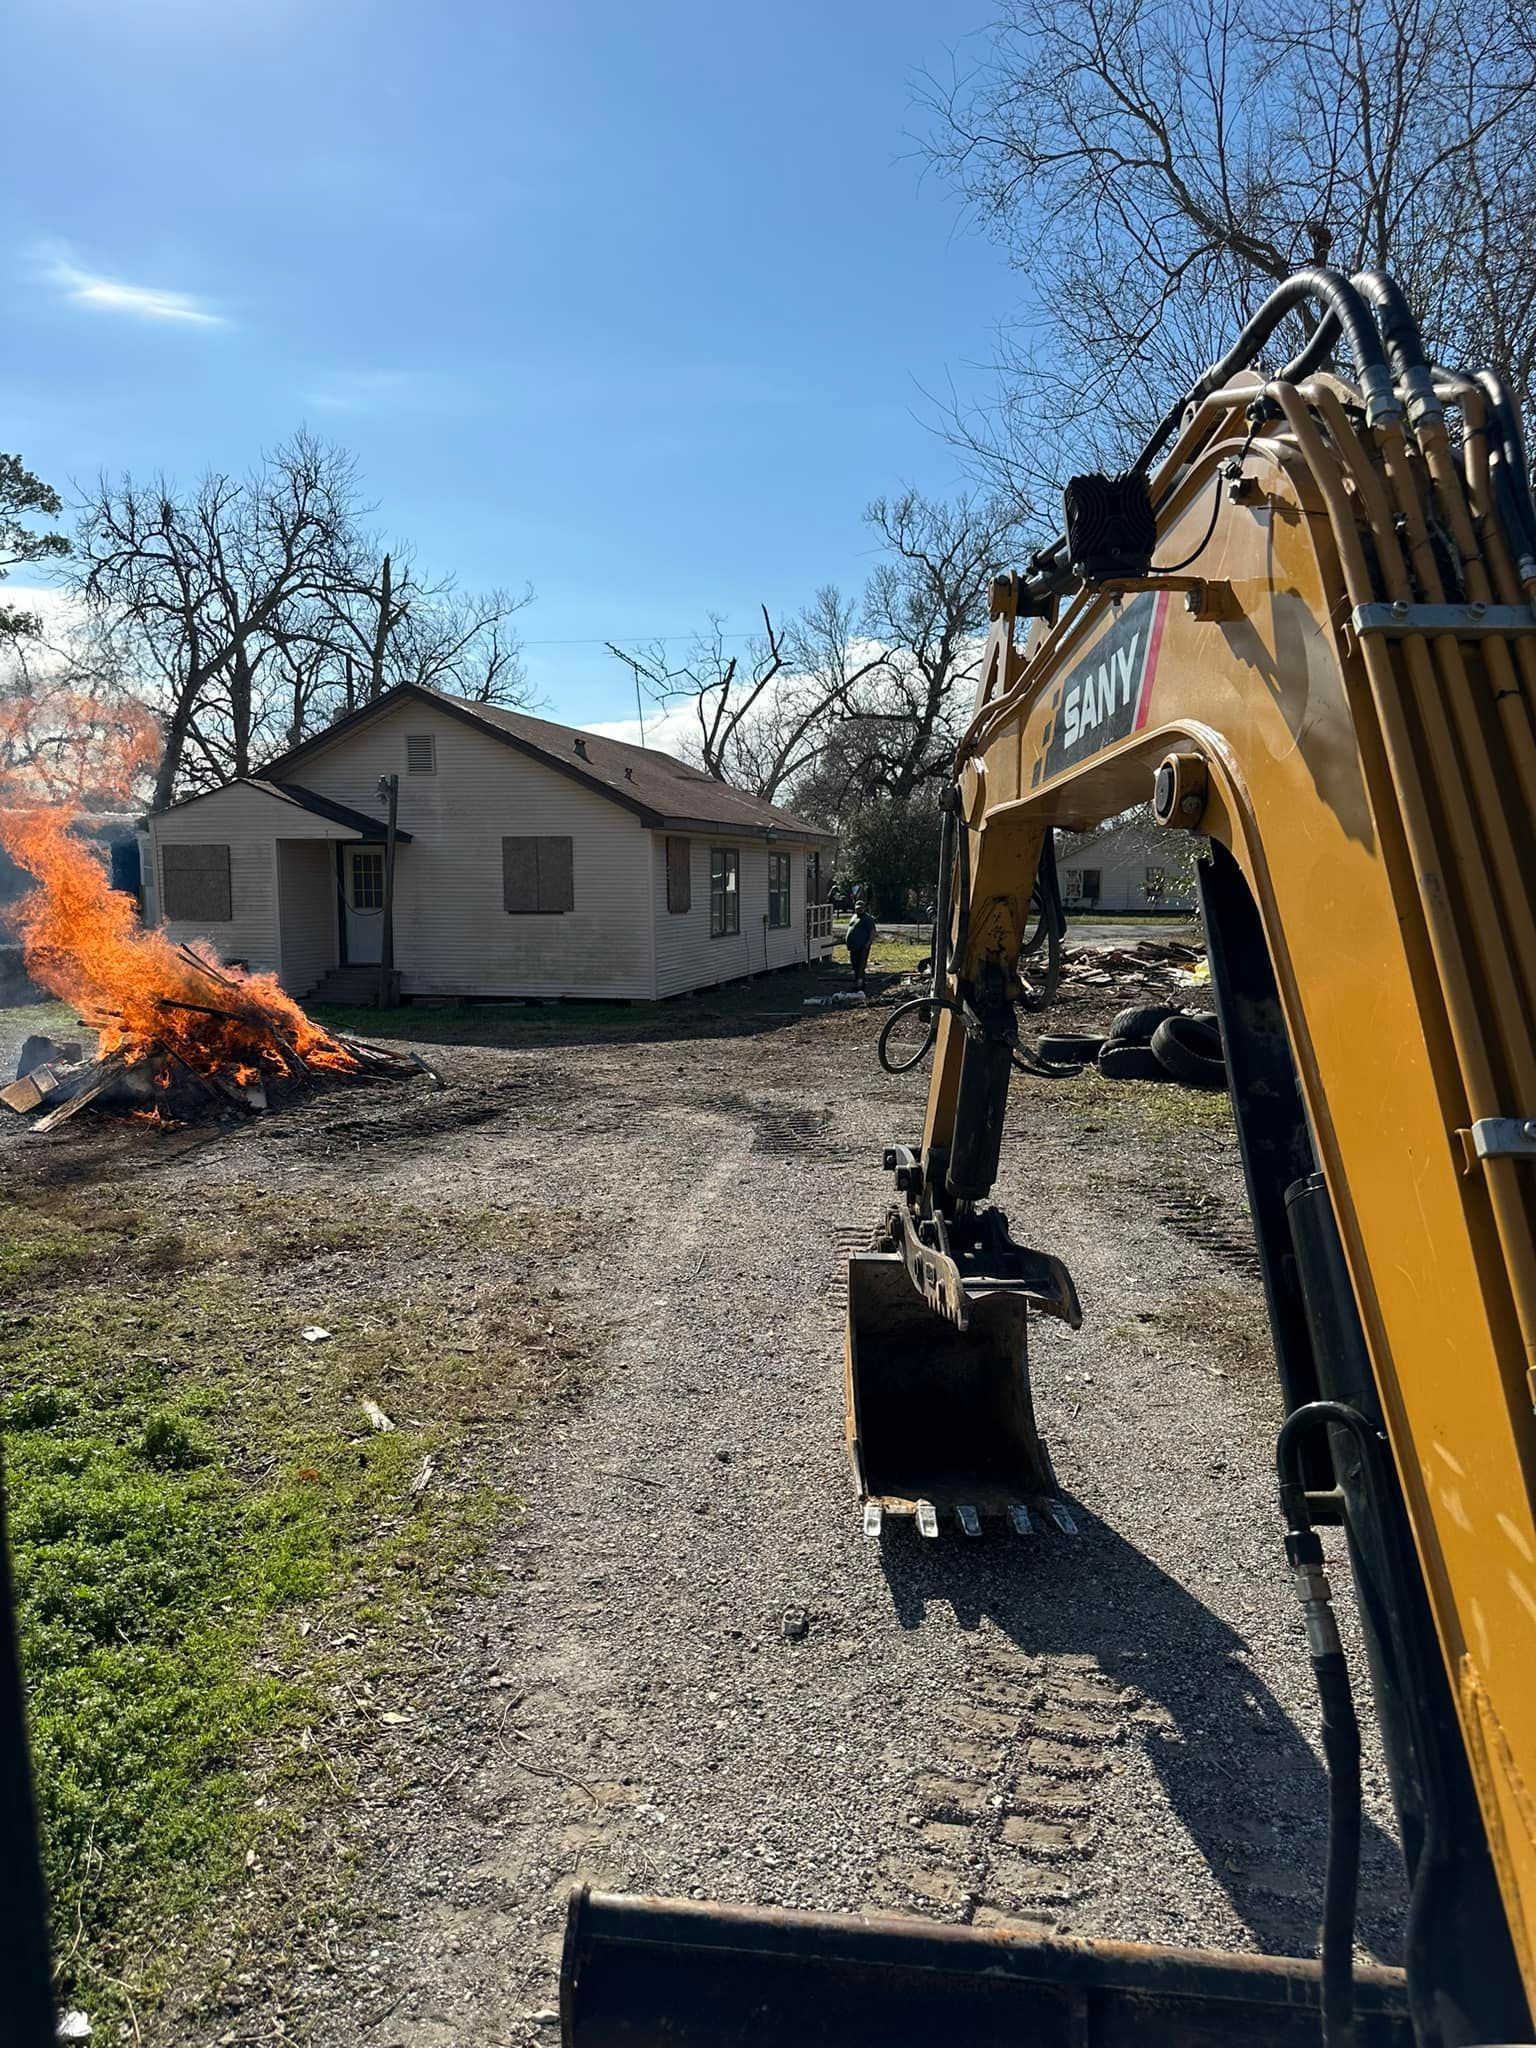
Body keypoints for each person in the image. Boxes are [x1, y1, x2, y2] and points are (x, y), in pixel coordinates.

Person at [845, 898, 876, 993]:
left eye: (861, 908)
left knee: (860, 965)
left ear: (864, 908)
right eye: (858, 908)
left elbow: (872, 931)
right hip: (853, 946)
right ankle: (858, 982)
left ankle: (860, 985)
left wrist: (868, 943)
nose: (859, 910)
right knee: (854, 964)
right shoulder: (854, 917)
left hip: (862, 946)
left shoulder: (867, 919)